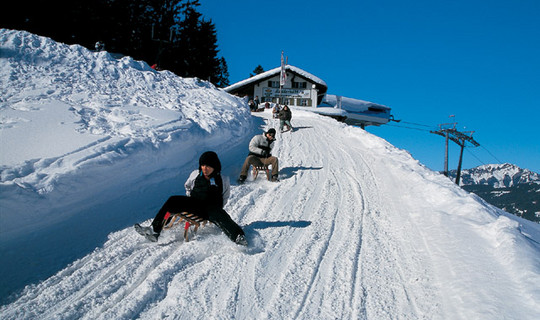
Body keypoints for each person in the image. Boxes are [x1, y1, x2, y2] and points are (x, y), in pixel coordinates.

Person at [134, 151, 247, 245]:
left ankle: (238, 236)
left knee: (221, 215)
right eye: (203, 165)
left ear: (215, 166)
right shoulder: (195, 174)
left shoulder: (223, 179)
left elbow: (225, 196)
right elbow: (187, 186)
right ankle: (154, 231)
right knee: (173, 200)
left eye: (208, 166)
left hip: (210, 209)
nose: (205, 168)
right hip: (195, 203)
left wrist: (218, 207)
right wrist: (189, 199)